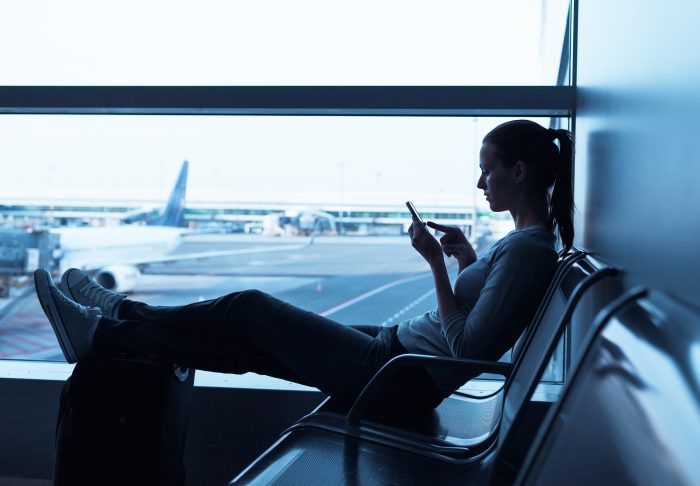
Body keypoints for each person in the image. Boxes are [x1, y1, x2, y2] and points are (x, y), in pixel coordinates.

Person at [34, 120, 573, 414]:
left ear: (518, 172)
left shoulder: (529, 250)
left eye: (487, 171)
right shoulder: (525, 243)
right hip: (397, 358)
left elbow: (466, 351)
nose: (480, 184)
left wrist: (435, 264)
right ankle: (110, 332)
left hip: (398, 379)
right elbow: (476, 321)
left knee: (250, 310)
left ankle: (113, 318)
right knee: (248, 342)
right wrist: (466, 259)